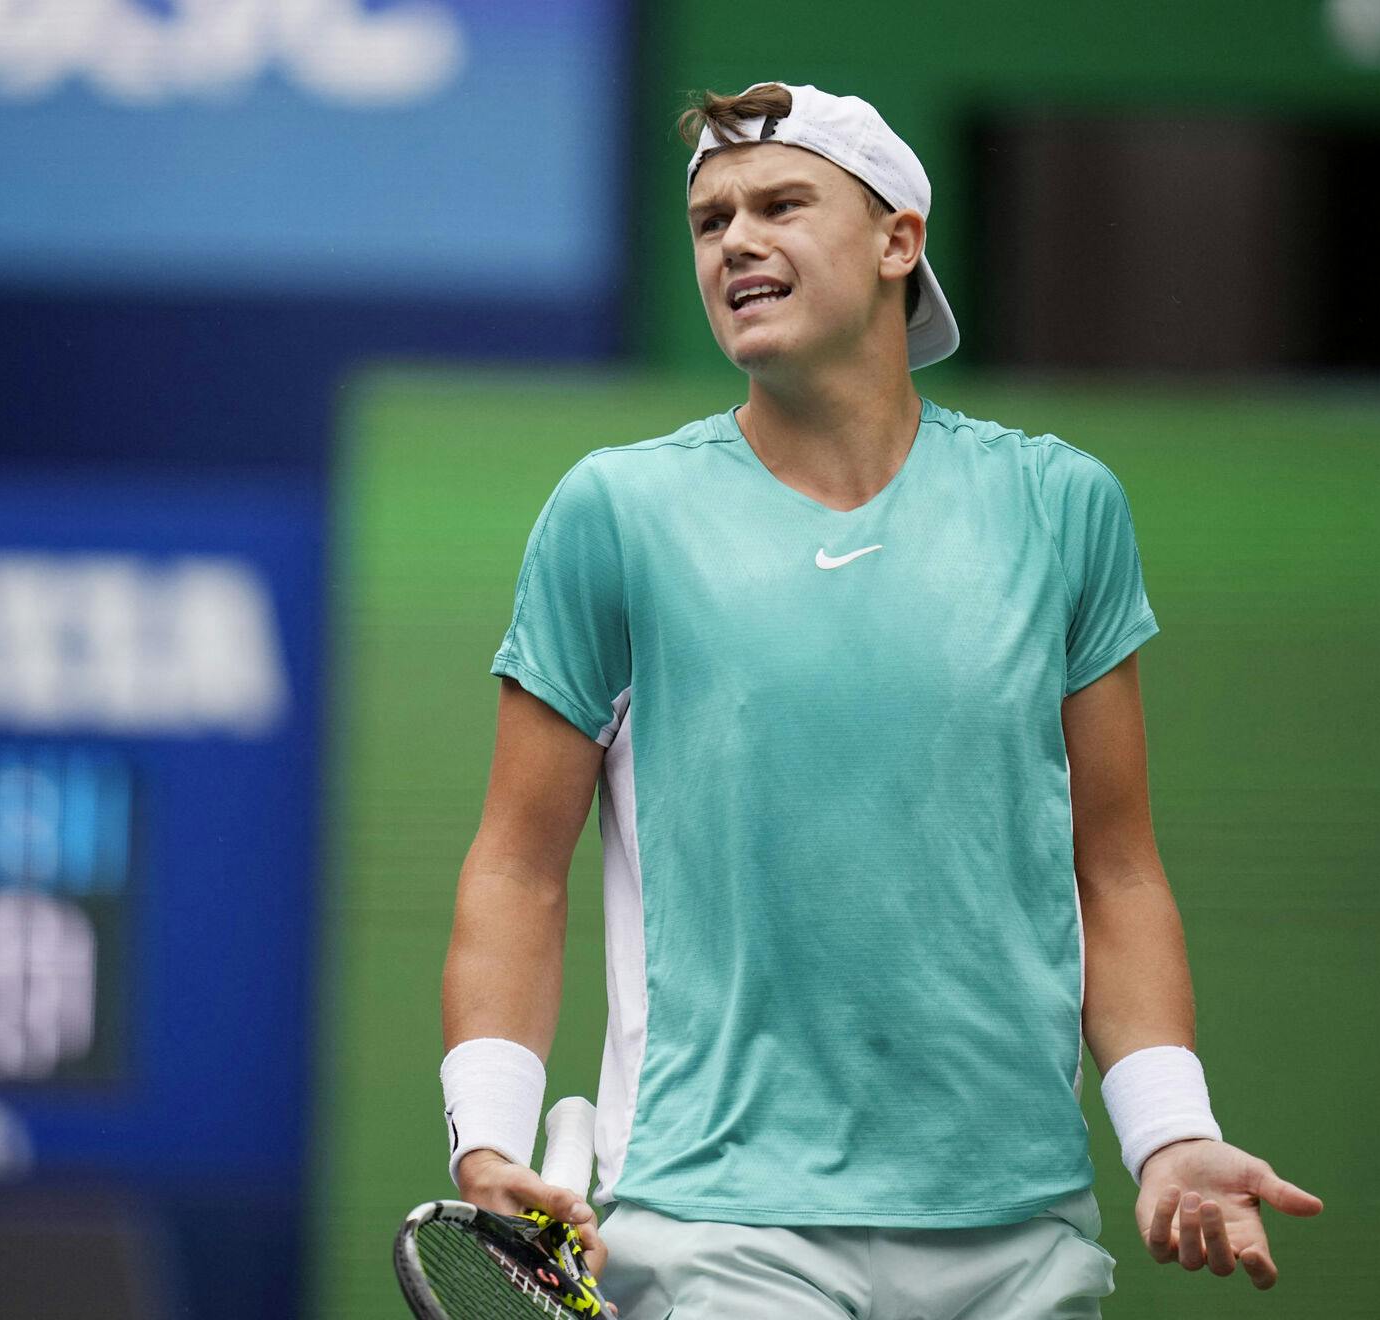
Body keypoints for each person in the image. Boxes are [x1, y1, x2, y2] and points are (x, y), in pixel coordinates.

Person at [438, 80, 1323, 1318]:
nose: (736, 241)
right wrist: (487, 1133)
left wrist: (1170, 1132)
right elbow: (517, 866)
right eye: (710, 221)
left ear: (899, 240)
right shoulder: (615, 513)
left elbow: (1115, 867)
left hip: (1018, 1226)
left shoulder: (1061, 506)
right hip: (716, 1222)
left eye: (781, 205)